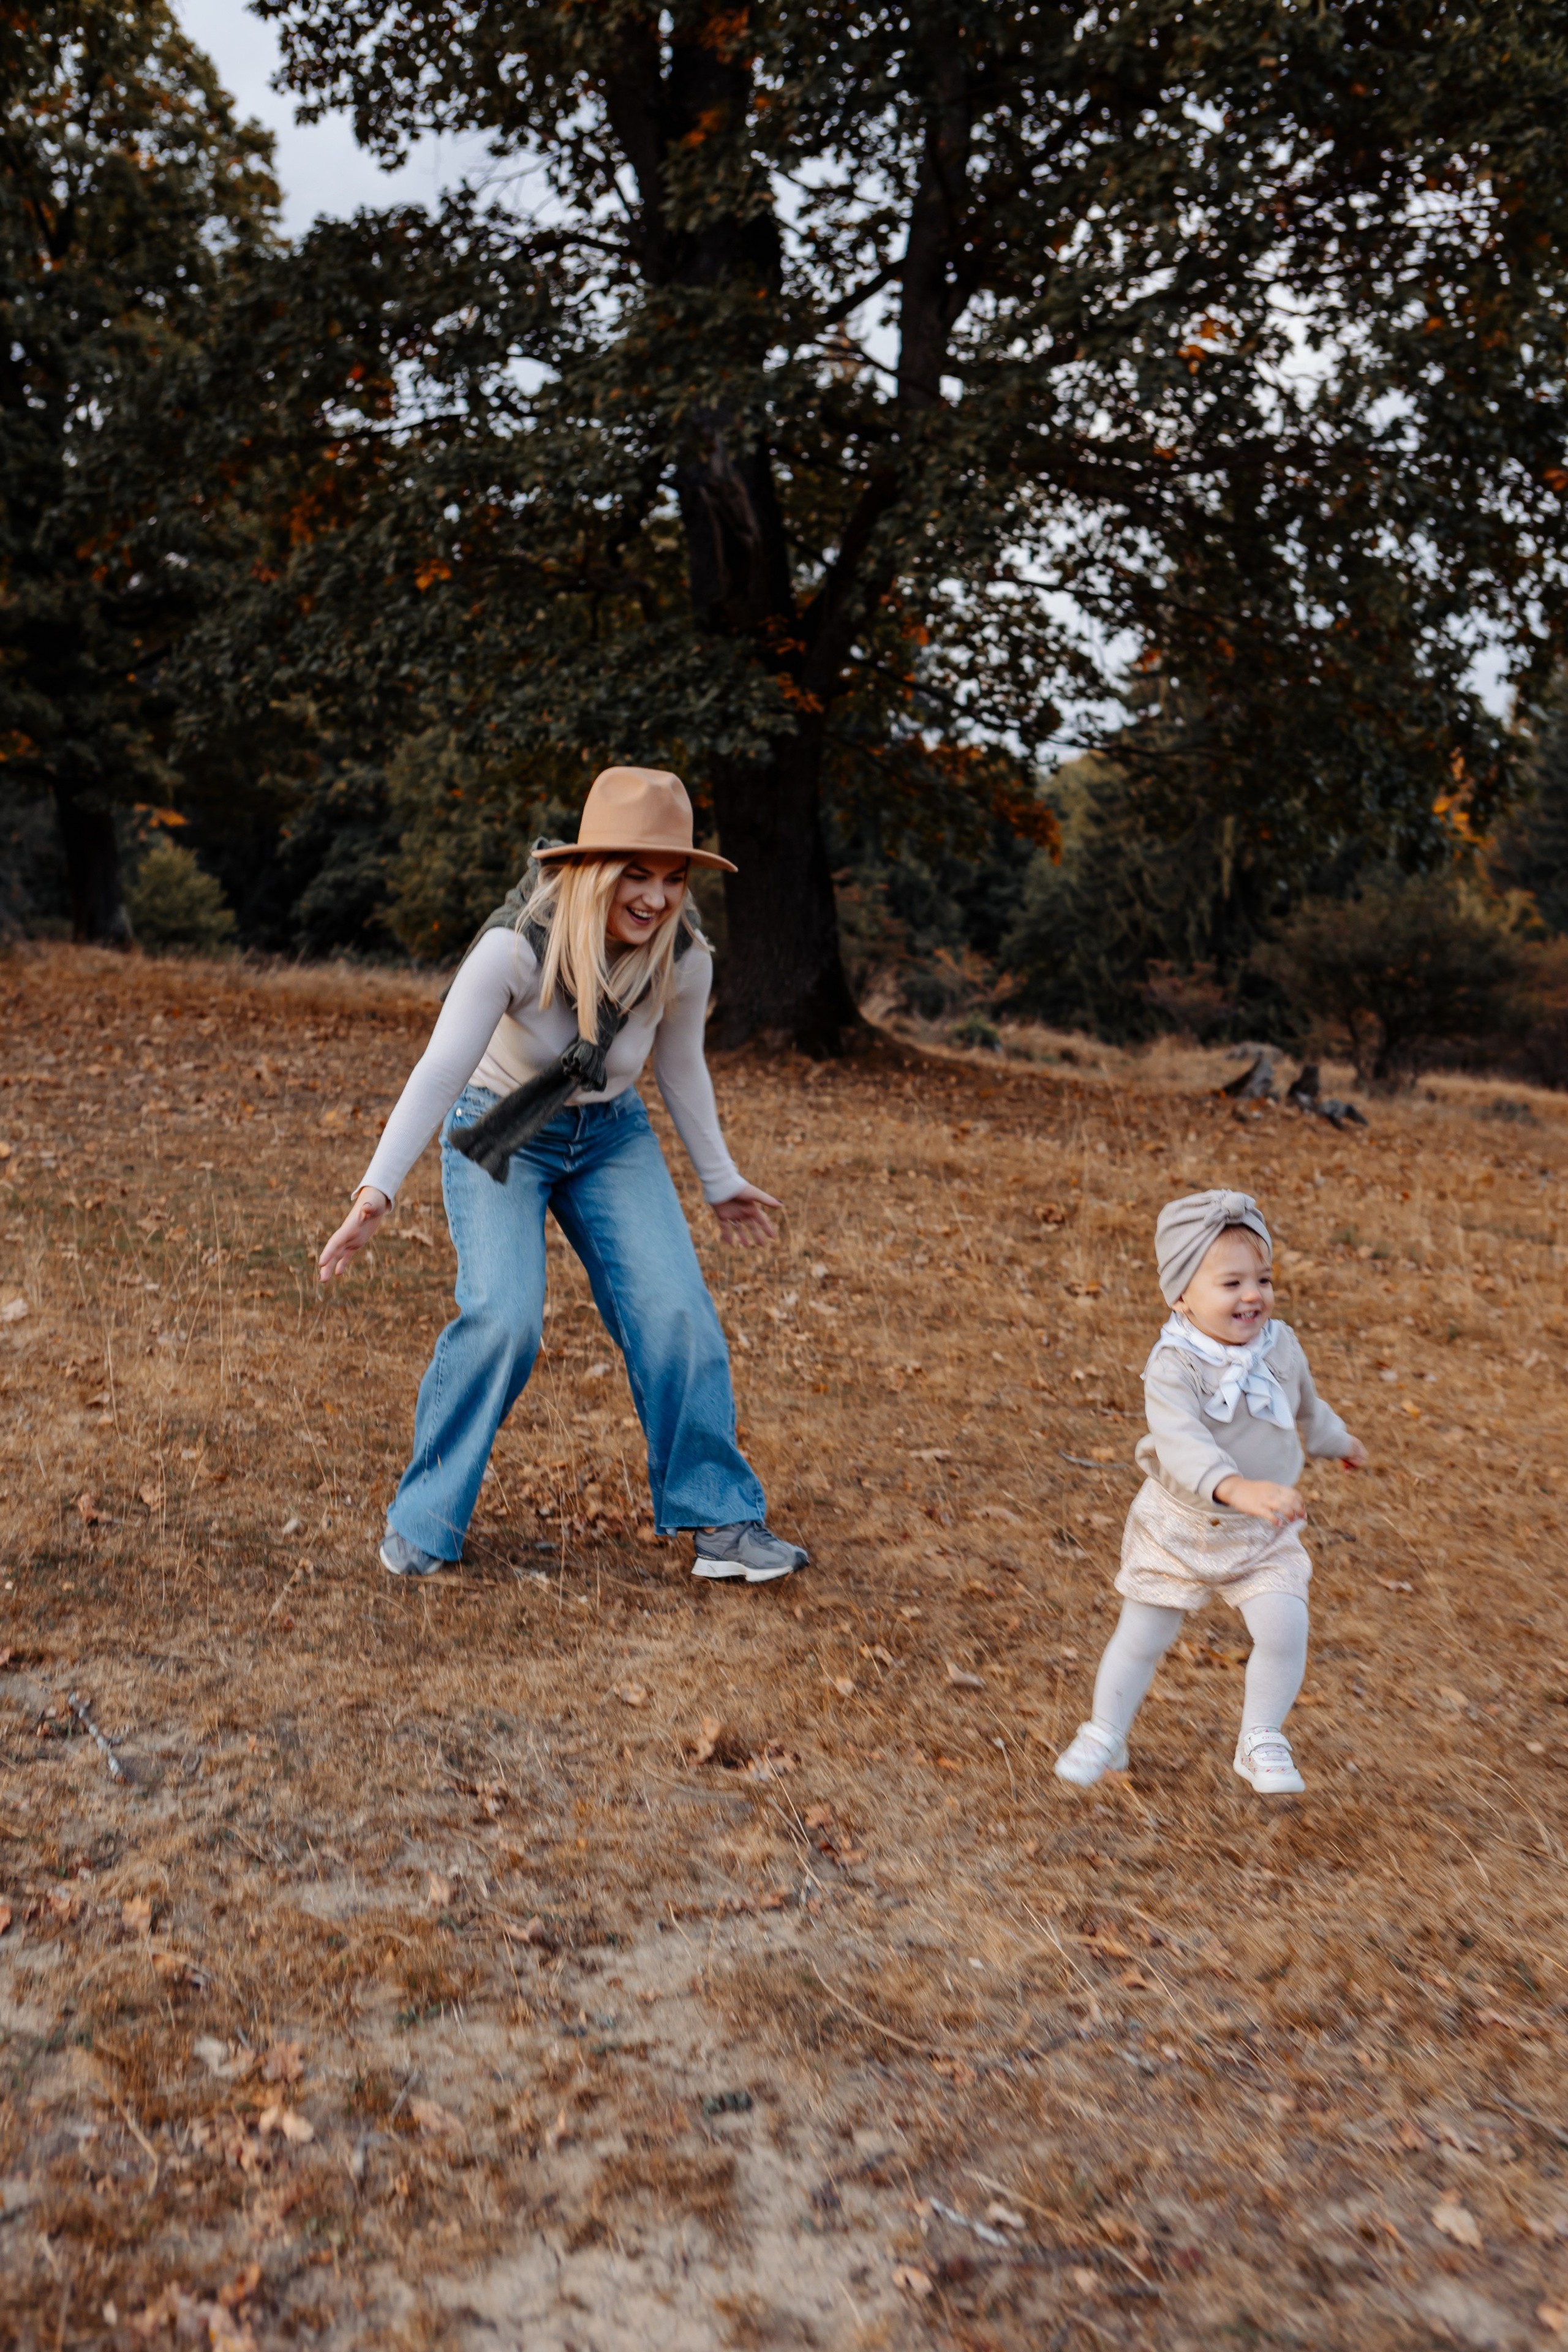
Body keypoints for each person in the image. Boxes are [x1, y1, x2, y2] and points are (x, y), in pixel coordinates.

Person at [317, 764, 808, 1587]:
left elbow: (681, 1071)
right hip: (503, 1126)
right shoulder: (514, 949)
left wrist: (719, 1179)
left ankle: (722, 1521)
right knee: (504, 1319)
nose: (655, 899)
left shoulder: (683, 958)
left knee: (676, 1310)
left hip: (611, 1137)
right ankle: (425, 1517)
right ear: (593, 871)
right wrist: (377, 1190)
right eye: (637, 876)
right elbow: (441, 1070)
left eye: (673, 879)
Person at [1054, 1188, 1366, 1796]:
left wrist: (1339, 1441)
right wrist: (1235, 1488)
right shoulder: (1174, 1366)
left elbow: (1305, 1404)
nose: (1253, 1295)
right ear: (1180, 1296)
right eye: (1231, 1284)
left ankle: (1260, 1737)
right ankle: (1105, 1729)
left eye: (1263, 1278)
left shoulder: (1281, 1345)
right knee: (1143, 1635)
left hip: (1262, 1528)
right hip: (1182, 1522)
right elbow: (1181, 1442)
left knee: (1283, 1626)